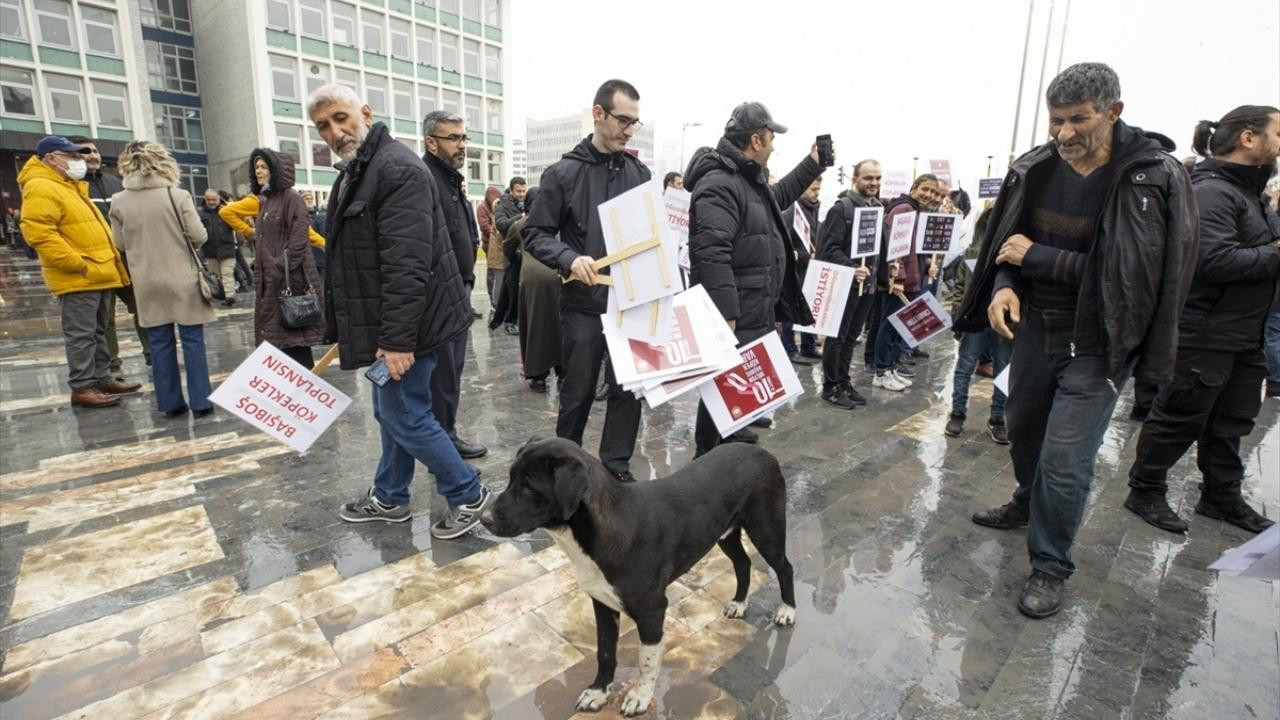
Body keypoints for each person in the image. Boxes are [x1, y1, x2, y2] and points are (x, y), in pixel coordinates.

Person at [955, 63, 1198, 619]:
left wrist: (1035, 259)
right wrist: (1005, 284)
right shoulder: (1035, 169)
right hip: (1035, 330)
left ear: (1114, 111)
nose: (1064, 134)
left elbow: (1136, 277)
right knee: (1022, 432)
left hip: (1102, 342)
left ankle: (1050, 563)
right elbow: (1007, 245)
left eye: (1079, 120)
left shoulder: (1155, 177)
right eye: (1056, 121)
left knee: (1066, 461)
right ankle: (1026, 502)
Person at [307, 83, 493, 537]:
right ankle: (390, 496)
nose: (335, 131)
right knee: (392, 412)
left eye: (341, 118)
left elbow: (407, 264)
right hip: (393, 324)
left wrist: (395, 341)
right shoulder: (359, 170)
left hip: (413, 326)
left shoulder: (396, 169)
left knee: (405, 414)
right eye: (323, 126)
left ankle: (469, 495)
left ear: (364, 114)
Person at [1124, 105, 1280, 536]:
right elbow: (1211, 260)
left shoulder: (1248, 194)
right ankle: (1146, 488)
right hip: (1205, 333)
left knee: (1230, 422)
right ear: (1248, 138)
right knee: (1179, 415)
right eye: (1278, 133)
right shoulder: (1214, 192)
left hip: (1242, 334)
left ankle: (1220, 495)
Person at [524, 79, 651, 483]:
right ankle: (565, 468)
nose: (629, 130)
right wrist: (568, 258)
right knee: (576, 392)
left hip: (629, 303)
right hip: (581, 303)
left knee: (628, 390)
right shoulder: (562, 173)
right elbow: (535, 233)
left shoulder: (640, 173)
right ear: (598, 114)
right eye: (623, 121)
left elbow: (653, 238)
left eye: (635, 123)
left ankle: (616, 468)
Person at [685, 101, 823, 457]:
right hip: (737, 313)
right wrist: (726, 313)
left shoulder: (746, 180)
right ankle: (708, 462)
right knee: (721, 393)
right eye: (771, 137)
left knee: (734, 392)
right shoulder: (720, 183)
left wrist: (812, 164)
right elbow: (711, 252)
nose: (775, 145)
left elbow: (777, 198)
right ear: (756, 141)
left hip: (754, 307)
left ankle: (727, 455)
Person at [19, 136, 141, 408]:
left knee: (98, 331)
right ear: (52, 158)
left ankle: (102, 377)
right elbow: (39, 232)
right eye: (72, 155)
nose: (79, 160)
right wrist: (77, 264)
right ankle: (83, 387)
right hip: (79, 276)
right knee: (81, 335)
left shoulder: (68, 185)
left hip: (97, 273)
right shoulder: (41, 186)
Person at [109, 141, 216, 417]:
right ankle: (201, 402)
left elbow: (119, 242)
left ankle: (170, 403)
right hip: (182, 279)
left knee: (159, 342)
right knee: (193, 341)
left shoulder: (119, 201)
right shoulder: (176, 195)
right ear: (163, 163)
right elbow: (199, 236)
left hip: (146, 282)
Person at [422, 109, 487, 460]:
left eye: (464, 138)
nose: (461, 145)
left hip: (459, 286)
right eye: (453, 138)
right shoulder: (425, 178)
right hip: (441, 293)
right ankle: (443, 443)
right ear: (431, 142)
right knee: (443, 375)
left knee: (452, 371)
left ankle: (445, 437)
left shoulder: (450, 178)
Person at [71, 136, 151, 377]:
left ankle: (152, 354)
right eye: (85, 152)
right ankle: (111, 365)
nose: (93, 155)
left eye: (94, 151)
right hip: (97, 260)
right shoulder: (71, 186)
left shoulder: (114, 182)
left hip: (126, 257)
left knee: (142, 307)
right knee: (105, 318)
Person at [246, 148, 325, 368]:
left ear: (276, 170)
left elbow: (299, 242)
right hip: (271, 281)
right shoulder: (266, 200)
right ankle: (289, 394)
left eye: (264, 167)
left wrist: (278, 268)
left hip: (288, 280)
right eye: (256, 167)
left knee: (294, 338)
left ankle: (303, 394)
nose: (258, 171)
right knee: (277, 340)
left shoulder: (292, 199)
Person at [944, 207, 1011, 443]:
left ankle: (998, 419)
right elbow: (960, 288)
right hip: (975, 321)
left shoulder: (1014, 253)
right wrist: (957, 320)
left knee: (1004, 370)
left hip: (1004, 322)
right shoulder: (972, 251)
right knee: (964, 367)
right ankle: (958, 413)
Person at [870, 174, 943, 392]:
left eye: (932, 191)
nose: (929, 195)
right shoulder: (904, 209)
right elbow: (895, 245)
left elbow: (913, 249)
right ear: (914, 187)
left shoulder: (915, 211)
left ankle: (890, 368)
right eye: (925, 189)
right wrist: (898, 277)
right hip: (898, 282)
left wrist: (928, 263)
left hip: (911, 279)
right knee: (889, 325)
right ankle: (881, 371)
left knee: (898, 326)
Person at [815, 165, 879, 409]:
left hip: (868, 286)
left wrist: (885, 270)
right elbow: (827, 249)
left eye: (877, 178)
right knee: (837, 337)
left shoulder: (875, 208)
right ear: (855, 179)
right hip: (846, 286)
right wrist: (852, 268)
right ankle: (830, 387)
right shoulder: (842, 209)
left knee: (851, 337)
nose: (873, 182)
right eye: (868, 177)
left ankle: (843, 382)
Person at [512, 188, 561, 393]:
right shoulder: (557, 222)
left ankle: (539, 377)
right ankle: (562, 371)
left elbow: (508, 249)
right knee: (559, 325)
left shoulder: (520, 224)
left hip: (530, 279)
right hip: (557, 275)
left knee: (534, 327)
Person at [780, 177, 823, 365]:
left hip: (810, 269)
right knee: (791, 309)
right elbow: (784, 242)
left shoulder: (814, 209)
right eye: (813, 189)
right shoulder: (792, 210)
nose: (816, 193)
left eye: (818, 190)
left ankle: (808, 344)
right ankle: (789, 349)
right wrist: (804, 256)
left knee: (809, 306)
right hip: (795, 271)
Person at [491, 177, 527, 333]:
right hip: (511, 253)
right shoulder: (502, 205)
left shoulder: (527, 203)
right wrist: (520, 217)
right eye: (518, 191)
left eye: (524, 191)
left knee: (519, 289)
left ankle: (515, 319)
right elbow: (501, 225)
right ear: (511, 190)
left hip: (526, 252)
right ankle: (508, 321)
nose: (521, 194)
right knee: (510, 288)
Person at [199, 189, 239, 307]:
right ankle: (222, 294)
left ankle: (229, 296)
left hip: (227, 248)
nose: (211, 202)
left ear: (218, 199)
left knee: (227, 273)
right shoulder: (200, 214)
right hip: (210, 250)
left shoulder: (226, 210)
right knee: (217, 275)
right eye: (208, 200)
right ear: (204, 199)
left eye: (214, 199)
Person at [477, 186, 503, 304]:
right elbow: (484, 226)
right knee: (492, 271)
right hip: (488, 243)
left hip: (498, 243)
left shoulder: (498, 206)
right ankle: (492, 298)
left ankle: (497, 298)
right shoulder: (482, 207)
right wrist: (495, 233)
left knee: (498, 273)